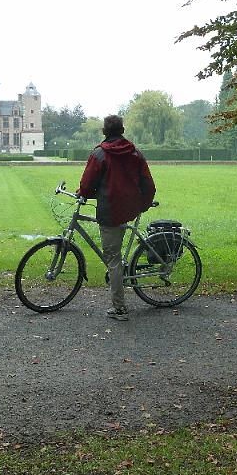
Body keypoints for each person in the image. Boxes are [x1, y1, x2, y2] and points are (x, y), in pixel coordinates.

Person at [77, 115, 156, 321]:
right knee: (116, 257)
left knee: (113, 259)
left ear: (104, 131)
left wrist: (83, 193)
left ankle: (119, 308)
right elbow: (148, 183)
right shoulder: (135, 153)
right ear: (122, 130)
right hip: (129, 208)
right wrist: (143, 205)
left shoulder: (100, 154)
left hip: (110, 211)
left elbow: (86, 184)